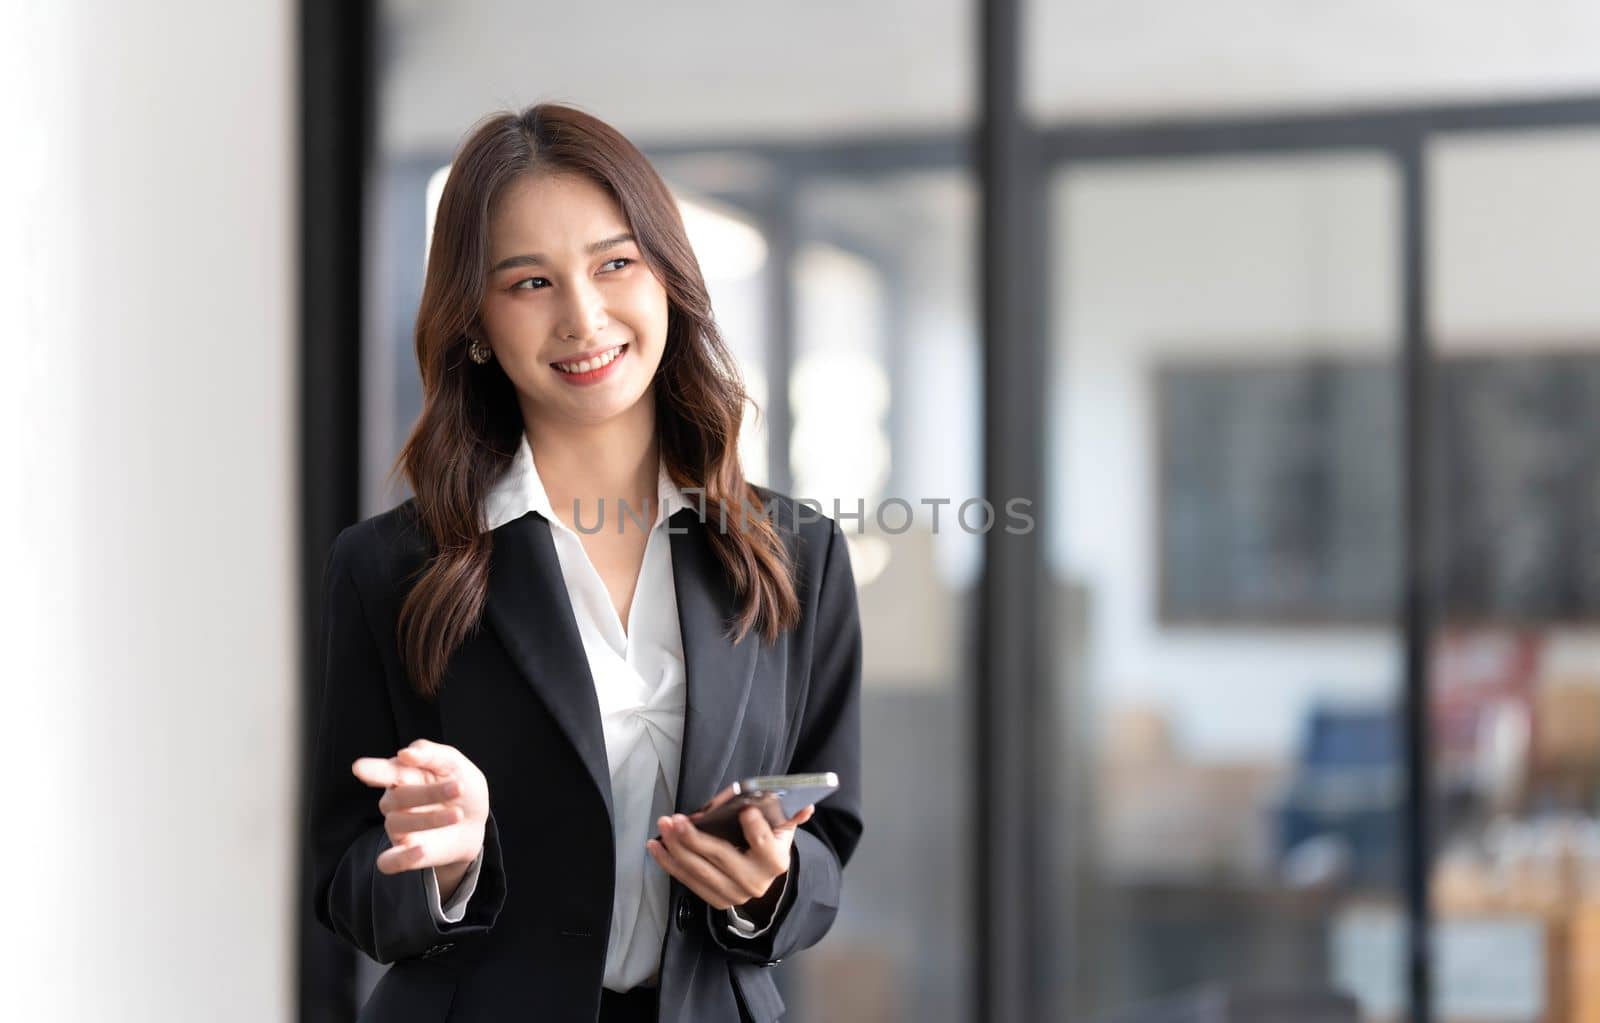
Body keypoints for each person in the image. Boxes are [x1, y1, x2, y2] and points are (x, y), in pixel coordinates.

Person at [307, 103, 863, 1023]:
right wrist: (444, 865)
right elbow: (345, 880)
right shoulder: (390, 567)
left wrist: (768, 882)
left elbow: (830, 847)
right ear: (476, 318)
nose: (583, 315)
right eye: (529, 282)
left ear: (669, 279)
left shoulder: (797, 553)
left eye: (615, 263)